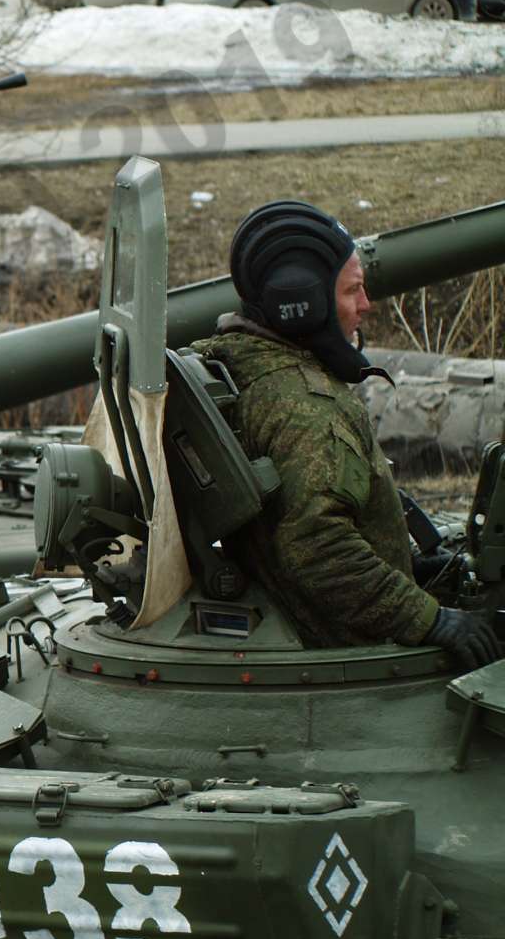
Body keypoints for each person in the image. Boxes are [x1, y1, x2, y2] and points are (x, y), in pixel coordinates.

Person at [194, 200, 500, 668]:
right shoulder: (308, 408)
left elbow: (296, 524)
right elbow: (317, 549)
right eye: (353, 290)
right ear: (304, 305)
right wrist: (431, 619)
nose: (365, 305)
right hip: (347, 650)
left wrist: (405, 569)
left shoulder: (250, 369)